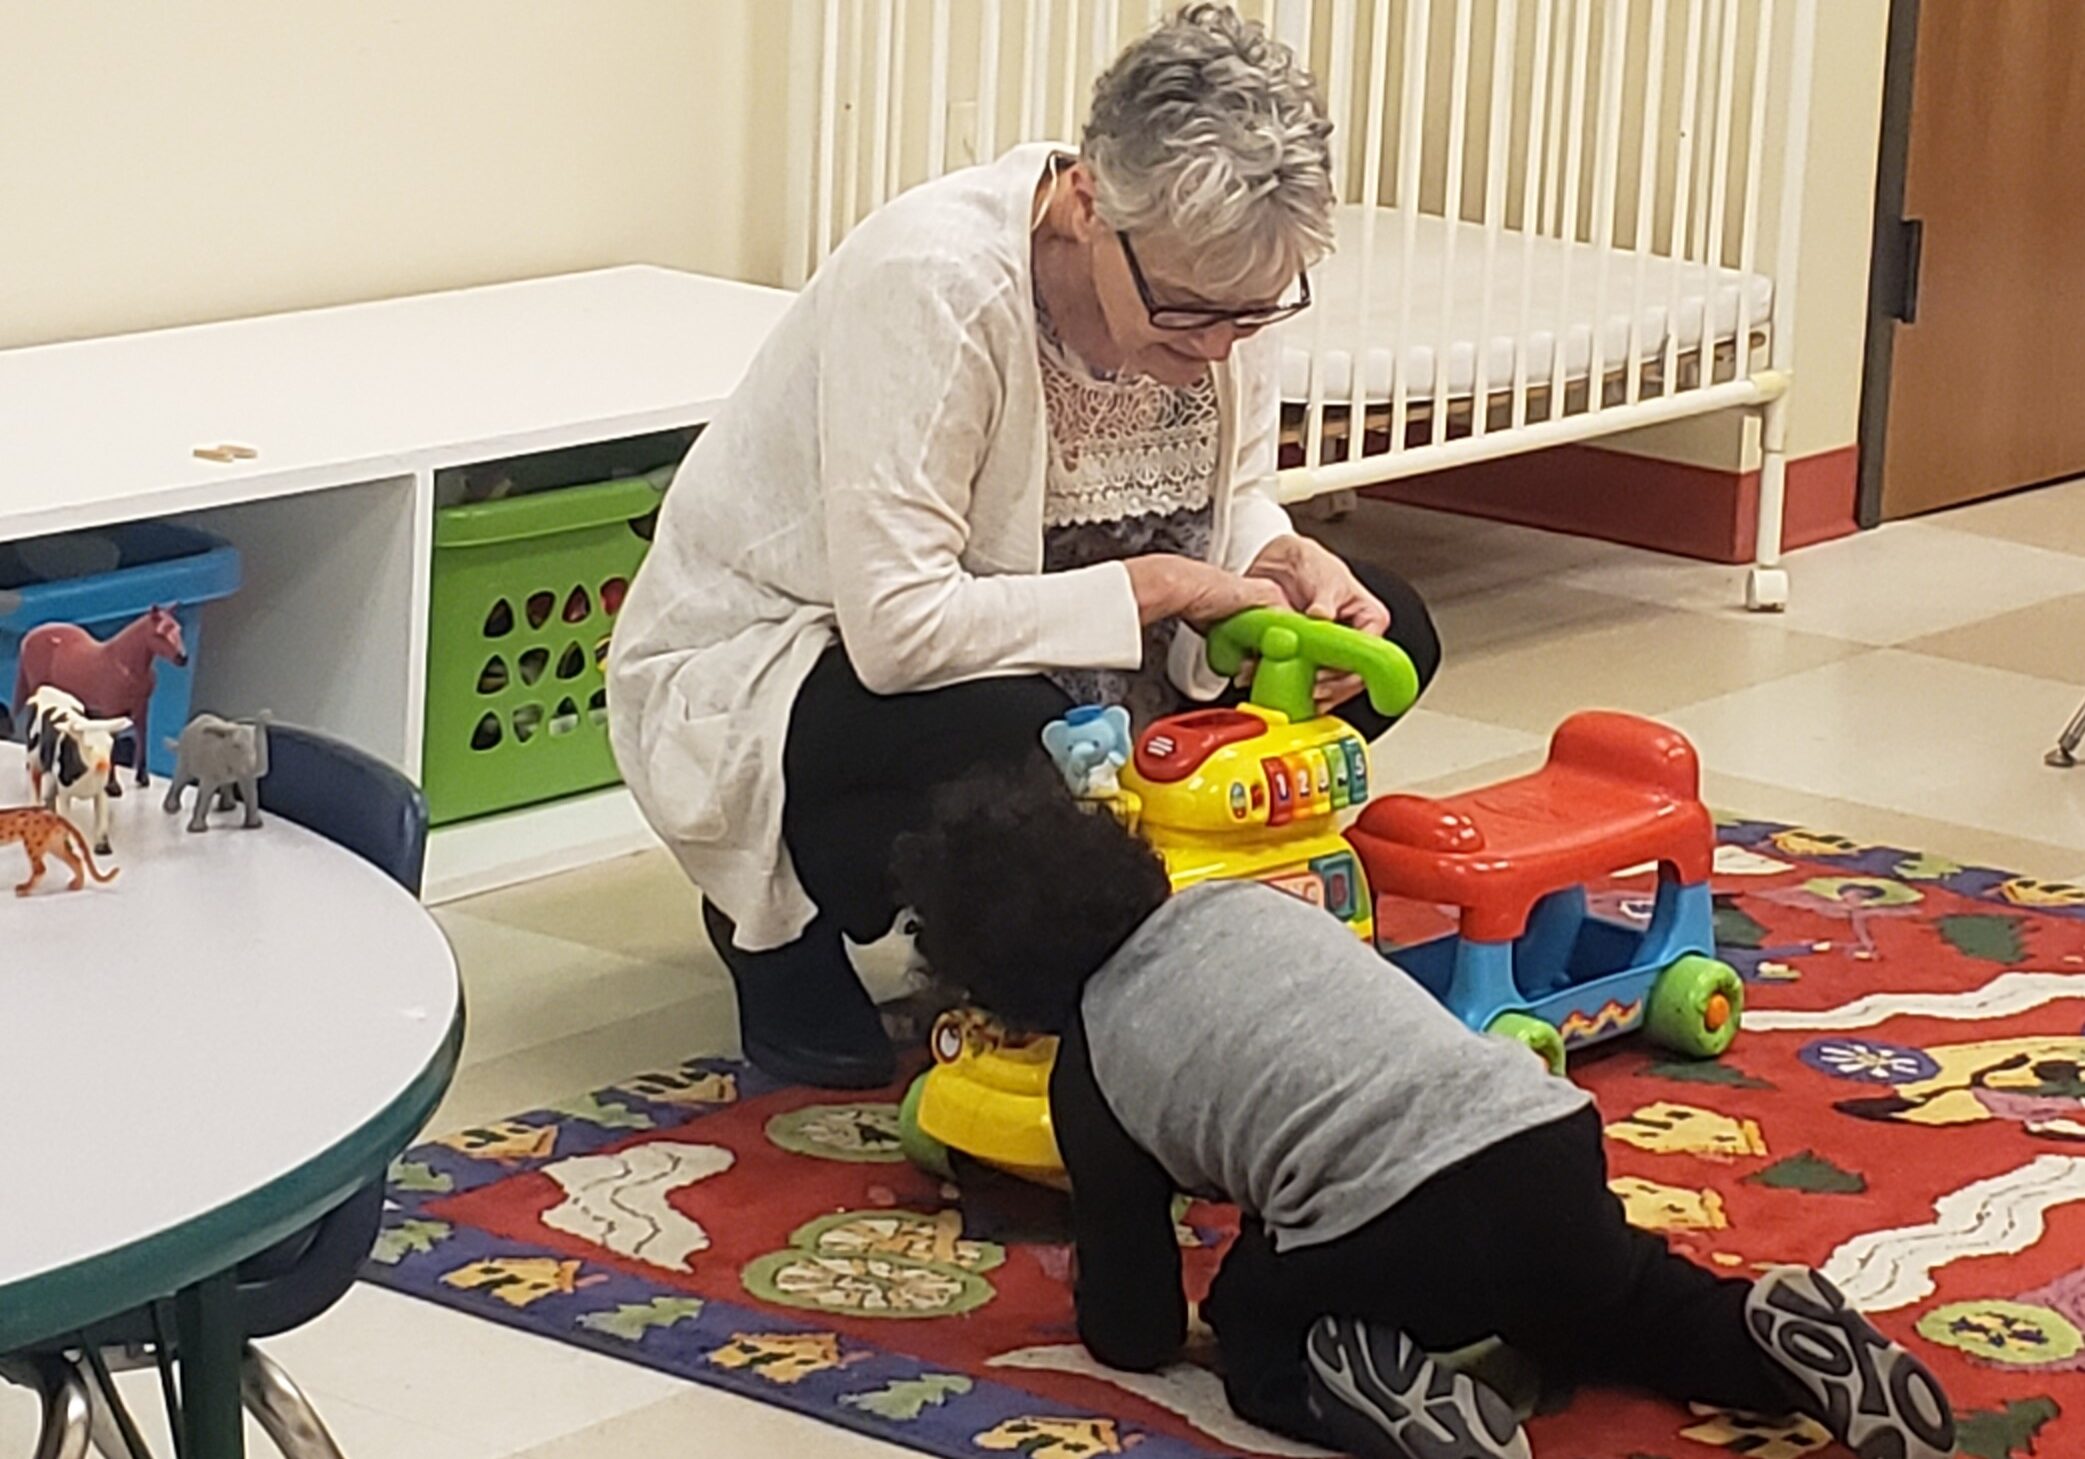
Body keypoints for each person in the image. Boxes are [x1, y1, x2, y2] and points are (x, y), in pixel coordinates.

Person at [608, 4, 1440, 1090]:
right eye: (1190, 316)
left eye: (1251, 316)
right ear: (1088, 202)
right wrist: (1159, 585)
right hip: (791, 661)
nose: (1217, 348)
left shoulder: (1213, 287)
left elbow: (1227, 495)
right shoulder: (935, 285)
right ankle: (789, 908)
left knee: (1391, 629)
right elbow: (900, 630)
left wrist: (1280, 561)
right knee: (1032, 738)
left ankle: (1154, 902)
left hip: (1059, 648)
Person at [890, 767, 1958, 1459]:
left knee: (1258, 1317)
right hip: (1536, 1133)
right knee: (1619, 1298)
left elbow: (1136, 1326)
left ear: (997, 983)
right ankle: (1765, 1335)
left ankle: (1353, 1387)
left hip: (1388, 1218)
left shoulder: (1095, 1063)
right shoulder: (1243, 905)